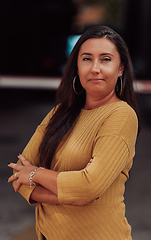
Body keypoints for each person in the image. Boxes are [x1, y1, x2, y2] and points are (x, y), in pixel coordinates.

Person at [8, 25, 140, 240]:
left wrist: (36, 174)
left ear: (121, 68)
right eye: (87, 59)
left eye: (105, 59)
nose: (95, 68)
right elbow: (17, 176)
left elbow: (88, 187)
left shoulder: (121, 115)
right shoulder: (60, 113)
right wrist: (72, 194)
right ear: (77, 67)